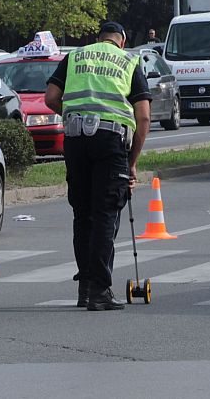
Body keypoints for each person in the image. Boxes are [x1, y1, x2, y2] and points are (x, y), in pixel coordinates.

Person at [45, 22, 152, 311]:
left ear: (97, 38)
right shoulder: (129, 61)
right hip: (110, 140)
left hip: (75, 138)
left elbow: (51, 98)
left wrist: (72, 114)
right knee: (106, 213)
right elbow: (143, 119)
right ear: (123, 40)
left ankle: (85, 288)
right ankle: (100, 291)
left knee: (83, 214)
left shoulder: (76, 56)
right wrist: (132, 163)